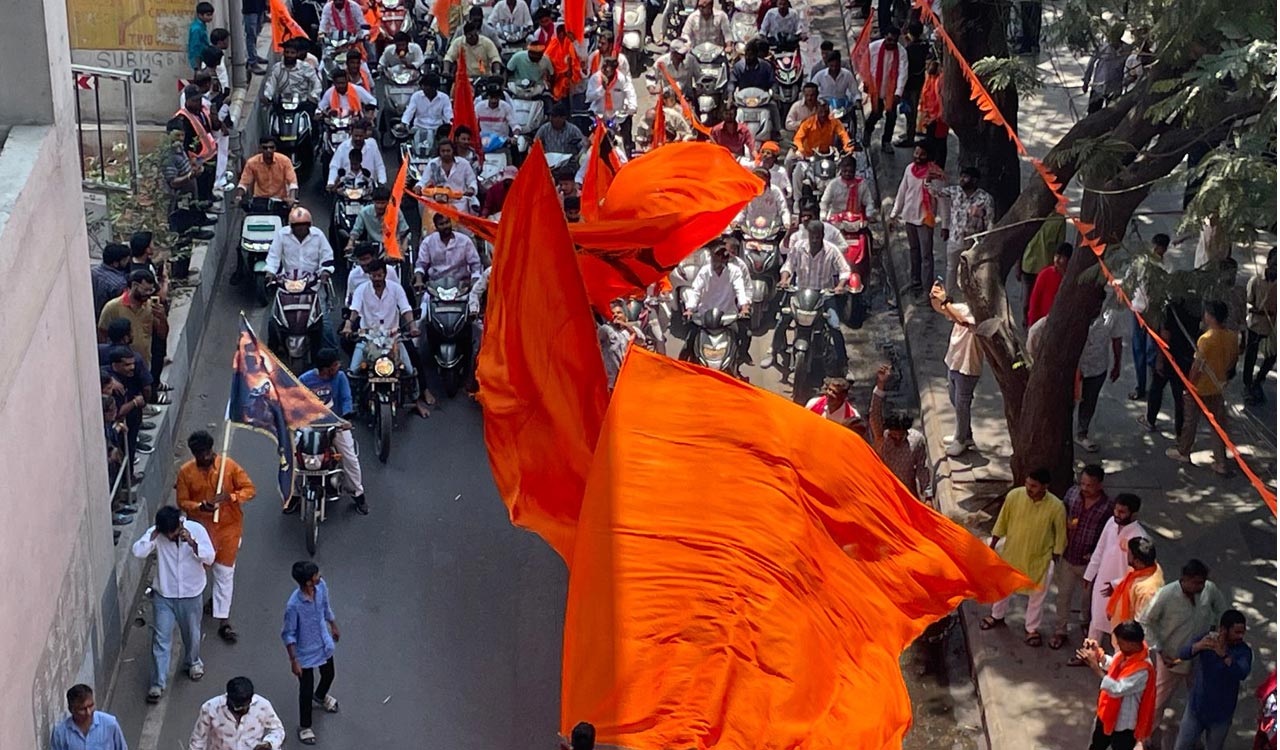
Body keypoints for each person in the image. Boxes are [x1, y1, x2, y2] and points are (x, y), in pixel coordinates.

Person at [1139, 559, 1229, 749]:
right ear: (1184, 579)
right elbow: (1146, 620)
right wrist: (1159, 649)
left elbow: (1222, 612)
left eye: (1202, 582)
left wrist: (1218, 635)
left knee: (1198, 699)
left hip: (1201, 658)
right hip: (1172, 657)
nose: (1200, 587)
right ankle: (1145, 734)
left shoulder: (1209, 590)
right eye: (1196, 583)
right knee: (1159, 699)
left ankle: (1193, 736)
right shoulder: (1166, 595)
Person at [175, 430, 255, 644]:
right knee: (197, 571)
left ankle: (223, 621)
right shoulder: (185, 472)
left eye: (206, 452)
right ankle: (194, 611)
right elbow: (182, 502)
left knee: (224, 573)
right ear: (194, 454)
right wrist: (200, 506)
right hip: (200, 530)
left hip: (229, 529)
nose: (204, 457)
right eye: (199, 454)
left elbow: (250, 489)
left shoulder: (229, 467)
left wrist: (232, 496)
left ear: (212, 450)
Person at [132, 506, 215, 702]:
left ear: (180, 525)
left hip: (191, 593)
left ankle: (193, 662)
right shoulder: (157, 534)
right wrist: (153, 535)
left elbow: (210, 557)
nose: (171, 537)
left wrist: (193, 544)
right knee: (161, 638)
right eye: (167, 534)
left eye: (174, 533)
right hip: (164, 594)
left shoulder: (196, 530)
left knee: (192, 633)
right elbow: (138, 551)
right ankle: (158, 683)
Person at [981, 467, 1066, 646]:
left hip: (1040, 560)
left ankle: (1031, 628)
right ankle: (996, 615)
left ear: (1045, 486)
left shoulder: (1056, 506)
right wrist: (993, 545)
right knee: (1003, 588)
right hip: (1012, 553)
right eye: (1027, 484)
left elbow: (1060, 535)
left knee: (1037, 596)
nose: (1029, 488)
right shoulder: (1014, 496)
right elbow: (1002, 521)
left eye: (1034, 486)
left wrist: (1055, 558)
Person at [764, 220, 851, 374]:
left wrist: (840, 285)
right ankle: (773, 353)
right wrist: (784, 279)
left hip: (824, 295)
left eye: (818, 237)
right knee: (782, 319)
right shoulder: (798, 247)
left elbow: (844, 270)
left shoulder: (832, 250)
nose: (815, 240)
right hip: (800, 293)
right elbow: (788, 265)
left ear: (823, 235)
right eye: (812, 236)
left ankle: (843, 364)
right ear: (808, 235)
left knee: (835, 326)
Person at [1167, 300, 1237, 473]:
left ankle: (1184, 451)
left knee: (1190, 421)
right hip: (1218, 387)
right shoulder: (1232, 337)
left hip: (1200, 388)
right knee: (1218, 426)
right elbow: (1232, 362)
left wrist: (1189, 386)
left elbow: (1196, 366)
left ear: (1211, 316)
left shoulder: (1206, 339)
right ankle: (1221, 462)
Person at [1049, 464, 1114, 651]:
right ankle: (1060, 630)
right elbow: (1062, 513)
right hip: (1068, 556)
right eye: (1082, 483)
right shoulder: (1072, 494)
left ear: (1100, 485)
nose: (1084, 488)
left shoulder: (1107, 507)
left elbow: (1107, 534)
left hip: (1090, 564)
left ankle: (1086, 623)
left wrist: (1095, 553)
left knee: (1089, 599)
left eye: (1089, 485)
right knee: (1063, 596)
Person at [1174, 610, 1253, 750]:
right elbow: (1182, 653)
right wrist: (1198, 647)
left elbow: (1241, 672)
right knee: (1182, 746)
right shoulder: (1207, 639)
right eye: (1236, 632)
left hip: (1221, 715)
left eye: (1242, 632)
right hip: (1196, 709)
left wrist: (1223, 655)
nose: (1240, 636)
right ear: (1223, 629)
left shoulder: (1243, 651)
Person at [282, 560, 342, 745]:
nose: (319, 576)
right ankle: (305, 726)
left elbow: (325, 607)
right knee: (305, 690)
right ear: (308, 582)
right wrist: (294, 660)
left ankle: (321, 695)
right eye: (316, 575)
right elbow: (288, 634)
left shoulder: (321, 587)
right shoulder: (294, 605)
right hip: (305, 652)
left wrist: (333, 625)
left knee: (329, 674)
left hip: (323, 644)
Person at [299, 350, 368, 510]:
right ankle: (294, 494)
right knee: (293, 457)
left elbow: (346, 399)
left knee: (350, 458)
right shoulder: (304, 380)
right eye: (336, 364)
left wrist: (346, 419)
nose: (339, 367)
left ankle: (358, 493)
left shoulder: (340, 377)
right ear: (325, 369)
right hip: (310, 426)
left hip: (335, 425)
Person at [1079, 493, 1149, 650]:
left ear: (1134, 513)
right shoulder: (1111, 522)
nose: (1117, 515)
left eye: (1122, 512)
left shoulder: (1140, 537)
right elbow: (1100, 548)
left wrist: (1116, 585)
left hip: (1123, 591)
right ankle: (1089, 654)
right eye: (1116, 510)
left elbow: (1140, 572)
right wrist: (1089, 574)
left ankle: (1118, 666)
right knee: (1096, 621)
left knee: (1120, 628)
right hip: (1102, 582)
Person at [1076, 620, 1158, 750]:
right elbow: (1113, 664)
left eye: (1121, 643)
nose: (1118, 646)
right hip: (1107, 714)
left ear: (1131, 644)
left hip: (1124, 725)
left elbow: (1117, 689)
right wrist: (1098, 654)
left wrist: (1096, 668)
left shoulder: (1143, 670)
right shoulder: (1127, 654)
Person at [929, 281, 983, 456]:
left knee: (962, 404)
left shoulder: (981, 316)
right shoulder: (963, 307)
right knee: (954, 398)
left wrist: (946, 301)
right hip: (954, 361)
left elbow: (961, 320)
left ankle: (961, 439)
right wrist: (935, 296)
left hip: (968, 366)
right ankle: (965, 434)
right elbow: (941, 309)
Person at [343, 258, 418, 375]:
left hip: (393, 337)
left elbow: (405, 309)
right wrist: (348, 326)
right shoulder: (361, 290)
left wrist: (413, 327)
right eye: (374, 276)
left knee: (409, 371)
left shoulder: (396, 288)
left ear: (385, 274)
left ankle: (417, 391)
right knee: (353, 371)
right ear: (369, 276)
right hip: (368, 337)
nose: (377, 279)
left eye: (379, 275)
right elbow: (354, 310)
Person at [870, 363, 931, 502]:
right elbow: (874, 415)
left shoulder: (917, 441)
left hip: (907, 496)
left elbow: (922, 469)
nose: (896, 438)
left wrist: (928, 496)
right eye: (893, 435)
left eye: (899, 435)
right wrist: (880, 385)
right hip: (882, 495)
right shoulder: (882, 438)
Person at [683, 242, 752, 365]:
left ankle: (741, 357)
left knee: (745, 334)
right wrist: (689, 308)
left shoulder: (735, 272)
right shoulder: (705, 271)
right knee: (689, 341)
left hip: (727, 316)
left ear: (723, 260)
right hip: (705, 316)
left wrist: (744, 307)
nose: (714, 263)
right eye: (713, 259)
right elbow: (696, 290)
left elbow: (740, 290)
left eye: (717, 259)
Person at [889, 144, 944, 295]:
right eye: (916, 153)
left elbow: (940, 197)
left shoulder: (935, 175)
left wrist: (945, 224)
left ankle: (927, 290)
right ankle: (915, 282)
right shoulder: (909, 169)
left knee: (926, 256)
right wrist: (894, 214)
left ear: (929, 157)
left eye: (922, 154)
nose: (918, 156)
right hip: (909, 217)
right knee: (914, 251)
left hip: (925, 220)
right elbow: (902, 192)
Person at [1125, 233, 1172, 399]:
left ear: (1164, 250)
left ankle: (1154, 386)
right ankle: (1141, 386)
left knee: (1151, 350)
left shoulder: (1166, 267)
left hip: (1154, 314)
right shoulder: (1140, 262)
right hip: (1138, 310)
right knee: (1139, 350)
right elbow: (1128, 280)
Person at [1142, 298, 1199, 435]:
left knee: (1157, 387)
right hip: (1186, 358)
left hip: (1170, 357)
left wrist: (1160, 359)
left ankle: (1150, 420)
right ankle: (1180, 433)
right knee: (1180, 397)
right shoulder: (1196, 306)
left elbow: (1165, 336)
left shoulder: (1170, 308)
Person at [1076, 299, 1125, 452]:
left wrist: (1117, 364)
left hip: (1098, 366)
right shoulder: (1075, 311)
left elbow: (1117, 339)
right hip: (1075, 366)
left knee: (1089, 400)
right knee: (1067, 401)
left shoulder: (1113, 315)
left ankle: (1082, 433)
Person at [938, 166, 995, 294]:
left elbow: (990, 222)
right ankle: (948, 295)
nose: (962, 180)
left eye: (966, 177)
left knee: (970, 271)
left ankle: (968, 298)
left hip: (973, 242)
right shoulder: (955, 191)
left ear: (974, 180)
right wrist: (929, 180)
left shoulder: (985, 198)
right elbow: (935, 192)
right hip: (955, 237)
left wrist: (982, 213)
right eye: (961, 176)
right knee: (951, 268)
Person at [189, 676, 285, 750]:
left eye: (245, 706)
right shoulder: (210, 708)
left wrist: (269, 743)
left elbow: (278, 730)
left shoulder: (263, 706)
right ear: (227, 697)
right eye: (236, 707)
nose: (240, 711)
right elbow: (198, 740)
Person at [864, 27, 909, 153]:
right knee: (876, 113)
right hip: (876, 87)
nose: (891, 43)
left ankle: (886, 142)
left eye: (894, 41)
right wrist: (867, 82)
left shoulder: (901, 52)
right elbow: (865, 65)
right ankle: (867, 132)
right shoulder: (873, 47)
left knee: (891, 116)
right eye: (889, 40)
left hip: (891, 90)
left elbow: (902, 73)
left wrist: (898, 93)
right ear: (885, 36)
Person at [1106, 537, 1164, 632]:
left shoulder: (1147, 591)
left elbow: (1142, 624)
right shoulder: (1145, 567)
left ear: (1137, 561)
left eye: (1129, 554)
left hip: (1127, 640)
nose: (1127, 555)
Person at [265, 206, 335, 283]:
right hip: (288, 281)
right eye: (297, 225)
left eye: (304, 225)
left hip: (313, 282)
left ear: (309, 225)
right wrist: (270, 272)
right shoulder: (282, 235)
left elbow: (327, 256)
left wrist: (325, 271)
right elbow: (273, 256)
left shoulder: (318, 235)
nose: (301, 228)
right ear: (291, 226)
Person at [1243, 248, 1276, 404]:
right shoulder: (1256, 280)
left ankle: (1259, 381)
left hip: (1273, 327)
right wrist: (1256, 309)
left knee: (1271, 357)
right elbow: (1249, 301)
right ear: (1268, 261)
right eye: (1275, 262)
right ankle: (1247, 384)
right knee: (1251, 355)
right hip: (1256, 324)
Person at [50, 684, 127, 750]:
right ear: (71, 710)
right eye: (82, 709)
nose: (88, 713)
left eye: (91, 706)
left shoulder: (110, 723)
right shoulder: (60, 733)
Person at [585, 56, 637, 152]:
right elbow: (589, 97)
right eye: (603, 67)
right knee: (592, 142)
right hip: (599, 116)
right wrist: (602, 89)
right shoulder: (595, 78)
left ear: (614, 70)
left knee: (624, 139)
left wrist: (632, 106)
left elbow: (629, 91)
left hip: (617, 116)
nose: (604, 70)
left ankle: (628, 153)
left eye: (607, 68)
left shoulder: (621, 78)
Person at [234, 136, 299, 210]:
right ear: (260, 149)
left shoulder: (285, 161)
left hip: (280, 200)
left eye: (271, 147)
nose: (268, 150)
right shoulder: (252, 163)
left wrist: (292, 197)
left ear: (275, 148)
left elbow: (292, 182)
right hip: (260, 201)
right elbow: (244, 183)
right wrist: (238, 197)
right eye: (265, 148)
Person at [731, 40, 780, 137]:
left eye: (751, 54)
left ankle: (776, 131)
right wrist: (730, 95)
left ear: (756, 54)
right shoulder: (738, 67)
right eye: (747, 54)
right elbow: (732, 82)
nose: (749, 57)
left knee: (774, 107)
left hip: (762, 100)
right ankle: (731, 132)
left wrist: (773, 92)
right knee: (730, 109)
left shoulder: (766, 66)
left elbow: (773, 82)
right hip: (743, 100)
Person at [417, 138, 478, 214]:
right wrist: (418, 187)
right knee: (422, 200)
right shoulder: (433, 163)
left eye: (448, 151)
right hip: (436, 201)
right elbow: (423, 181)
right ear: (439, 152)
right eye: (443, 151)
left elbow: (472, 181)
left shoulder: (464, 163)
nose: (446, 153)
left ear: (453, 151)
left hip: (458, 202)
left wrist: (471, 189)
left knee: (475, 203)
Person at [261, 38, 322, 109]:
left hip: (302, 104)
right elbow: (271, 84)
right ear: (284, 53)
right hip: (281, 105)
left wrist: (313, 96)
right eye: (287, 52)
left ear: (297, 54)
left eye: (292, 53)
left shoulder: (305, 67)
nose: (289, 55)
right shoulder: (277, 68)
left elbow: (316, 83)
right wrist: (267, 96)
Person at [896, 22, 929, 146]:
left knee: (910, 111)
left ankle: (910, 138)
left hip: (910, 83)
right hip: (918, 81)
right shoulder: (924, 45)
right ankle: (909, 132)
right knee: (911, 110)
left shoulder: (909, 49)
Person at [327, 120, 386, 187]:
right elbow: (334, 166)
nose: (358, 138)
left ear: (365, 134)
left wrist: (382, 182)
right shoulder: (342, 147)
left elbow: (379, 166)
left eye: (360, 136)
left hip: (368, 188)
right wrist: (331, 182)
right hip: (347, 189)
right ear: (351, 133)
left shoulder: (372, 145)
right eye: (356, 136)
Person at [1084, 25, 1129, 114]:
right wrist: (1086, 81)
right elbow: (1091, 63)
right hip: (1098, 87)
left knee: (1111, 114)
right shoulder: (1102, 47)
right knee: (1092, 113)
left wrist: (1126, 82)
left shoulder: (1126, 50)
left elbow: (1129, 67)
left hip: (1114, 88)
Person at [1027, 242, 1073, 326]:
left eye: (1061, 257)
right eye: (1056, 256)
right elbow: (1035, 299)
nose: (1057, 260)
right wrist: (1032, 321)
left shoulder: (1072, 278)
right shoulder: (1045, 274)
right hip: (1042, 322)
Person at [92, 244, 133, 320]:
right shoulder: (119, 284)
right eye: (125, 260)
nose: (128, 262)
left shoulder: (92, 272)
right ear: (115, 263)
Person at [188, 2, 214, 72]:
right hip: (199, 60)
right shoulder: (197, 29)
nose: (210, 17)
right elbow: (195, 48)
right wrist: (197, 66)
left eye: (211, 15)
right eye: (208, 15)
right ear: (200, 15)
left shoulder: (202, 26)